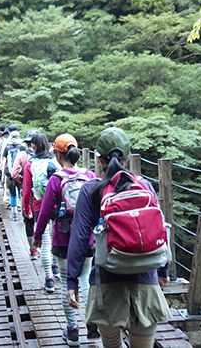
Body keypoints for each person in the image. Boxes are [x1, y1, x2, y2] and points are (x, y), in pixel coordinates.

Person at [66, 127, 171, 348]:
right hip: (146, 282)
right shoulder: (144, 185)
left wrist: (72, 280)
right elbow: (160, 229)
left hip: (106, 284)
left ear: (98, 158)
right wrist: (163, 271)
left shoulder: (90, 189)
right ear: (126, 156)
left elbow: (80, 238)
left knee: (112, 345)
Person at [32, 134, 95, 346]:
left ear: (58, 154)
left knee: (67, 281)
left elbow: (44, 212)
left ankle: (72, 330)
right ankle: (91, 322)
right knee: (85, 279)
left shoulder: (56, 180)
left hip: (62, 237)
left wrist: (38, 237)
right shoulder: (90, 175)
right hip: (87, 237)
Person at [22, 132, 57, 282]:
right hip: (56, 205)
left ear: (34, 146)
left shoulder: (30, 165)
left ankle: (49, 278)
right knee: (56, 237)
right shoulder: (55, 163)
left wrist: (26, 208)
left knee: (44, 242)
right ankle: (56, 266)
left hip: (39, 206)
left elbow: (26, 190)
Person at [2, 130, 25, 220]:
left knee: (12, 195)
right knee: (21, 193)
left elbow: (4, 162)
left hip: (9, 175)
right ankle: (23, 212)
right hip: (20, 175)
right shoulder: (22, 147)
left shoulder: (7, 148)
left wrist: (3, 176)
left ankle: (14, 214)